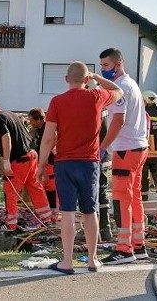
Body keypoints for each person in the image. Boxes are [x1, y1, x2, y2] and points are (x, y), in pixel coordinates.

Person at [36, 61, 122, 274]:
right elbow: (118, 90)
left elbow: (48, 138)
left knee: (67, 212)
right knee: (90, 211)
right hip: (90, 163)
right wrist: (96, 77)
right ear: (86, 80)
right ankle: (92, 260)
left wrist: (40, 165)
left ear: (66, 79)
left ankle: (67, 261)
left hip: (65, 163)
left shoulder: (57, 102)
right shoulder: (97, 96)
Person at [98, 48, 150, 265]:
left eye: (106, 66)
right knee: (134, 197)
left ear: (118, 64)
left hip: (126, 149)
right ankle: (138, 244)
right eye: (101, 66)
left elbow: (117, 121)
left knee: (121, 198)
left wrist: (102, 147)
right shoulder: (132, 85)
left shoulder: (122, 88)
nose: (103, 69)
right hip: (138, 147)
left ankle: (124, 248)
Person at [0, 99, 53, 231]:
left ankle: (11, 224)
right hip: (31, 156)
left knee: (10, 191)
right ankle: (46, 218)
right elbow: (26, 136)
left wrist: (6, 160)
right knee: (35, 187)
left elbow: (6, 137)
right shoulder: (11, 115)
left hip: (19, 160)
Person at [28, 108, 57, 214]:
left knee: (50, 186)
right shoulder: (38, 131)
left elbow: (51, 144)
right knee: (44, 186)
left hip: (49, 162)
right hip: (42, 162)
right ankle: (46, 210)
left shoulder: (48, 129)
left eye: (31, 120)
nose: (30, 123)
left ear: (39, 119)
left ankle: (53, 210)